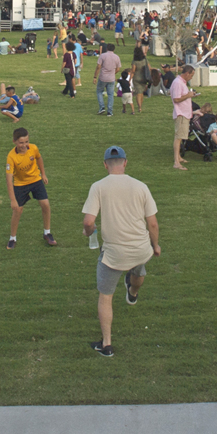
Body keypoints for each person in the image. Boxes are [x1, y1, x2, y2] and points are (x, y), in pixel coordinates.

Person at [81, 146, 160, 358]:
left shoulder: (98, 187)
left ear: (105, 164)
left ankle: (106, 345)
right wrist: (156, 246)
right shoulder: (141, 186)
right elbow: (152, 223)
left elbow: (89, 222)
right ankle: (132, 293)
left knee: (105, 297)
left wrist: (88, 231)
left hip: (114, 255)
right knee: (138, 269)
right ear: (125, 162)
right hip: (141, 249)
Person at [5, 127, 56, 249]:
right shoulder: (11, 157)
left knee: (45, 205)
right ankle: (12, 238)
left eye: (26, 142)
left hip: (35, 180)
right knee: (17, 210)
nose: (24, 145)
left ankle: (47, 233)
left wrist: (43, 174)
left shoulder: (33, 148)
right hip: (20, 184)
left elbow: (39, 158)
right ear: (14, 142)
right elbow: (9, 179)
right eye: (21, 142)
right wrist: (12, 199)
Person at [169, 65, 197, 171]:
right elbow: (176, 99)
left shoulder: (182, 83)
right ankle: (176, 162)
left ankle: (179, 158)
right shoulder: (178, 83)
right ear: (187, 73)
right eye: (191, 75)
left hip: (185, 113)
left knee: (181, 136)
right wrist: (188, 95)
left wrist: (190, 95)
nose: (191, 77)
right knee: (178, 137)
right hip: (180, 114)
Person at [93, 43, 122, 117]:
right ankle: (110, 111)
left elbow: (98, 67)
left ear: (107, 48)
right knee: (110, 94)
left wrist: (95, 77)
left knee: (99, 91)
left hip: (103, 77)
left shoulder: (102, 56)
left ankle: (102, 107)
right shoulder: (116, 57)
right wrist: (113, 73)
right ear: (114, 49)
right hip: (111, 78)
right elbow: (118, 68)